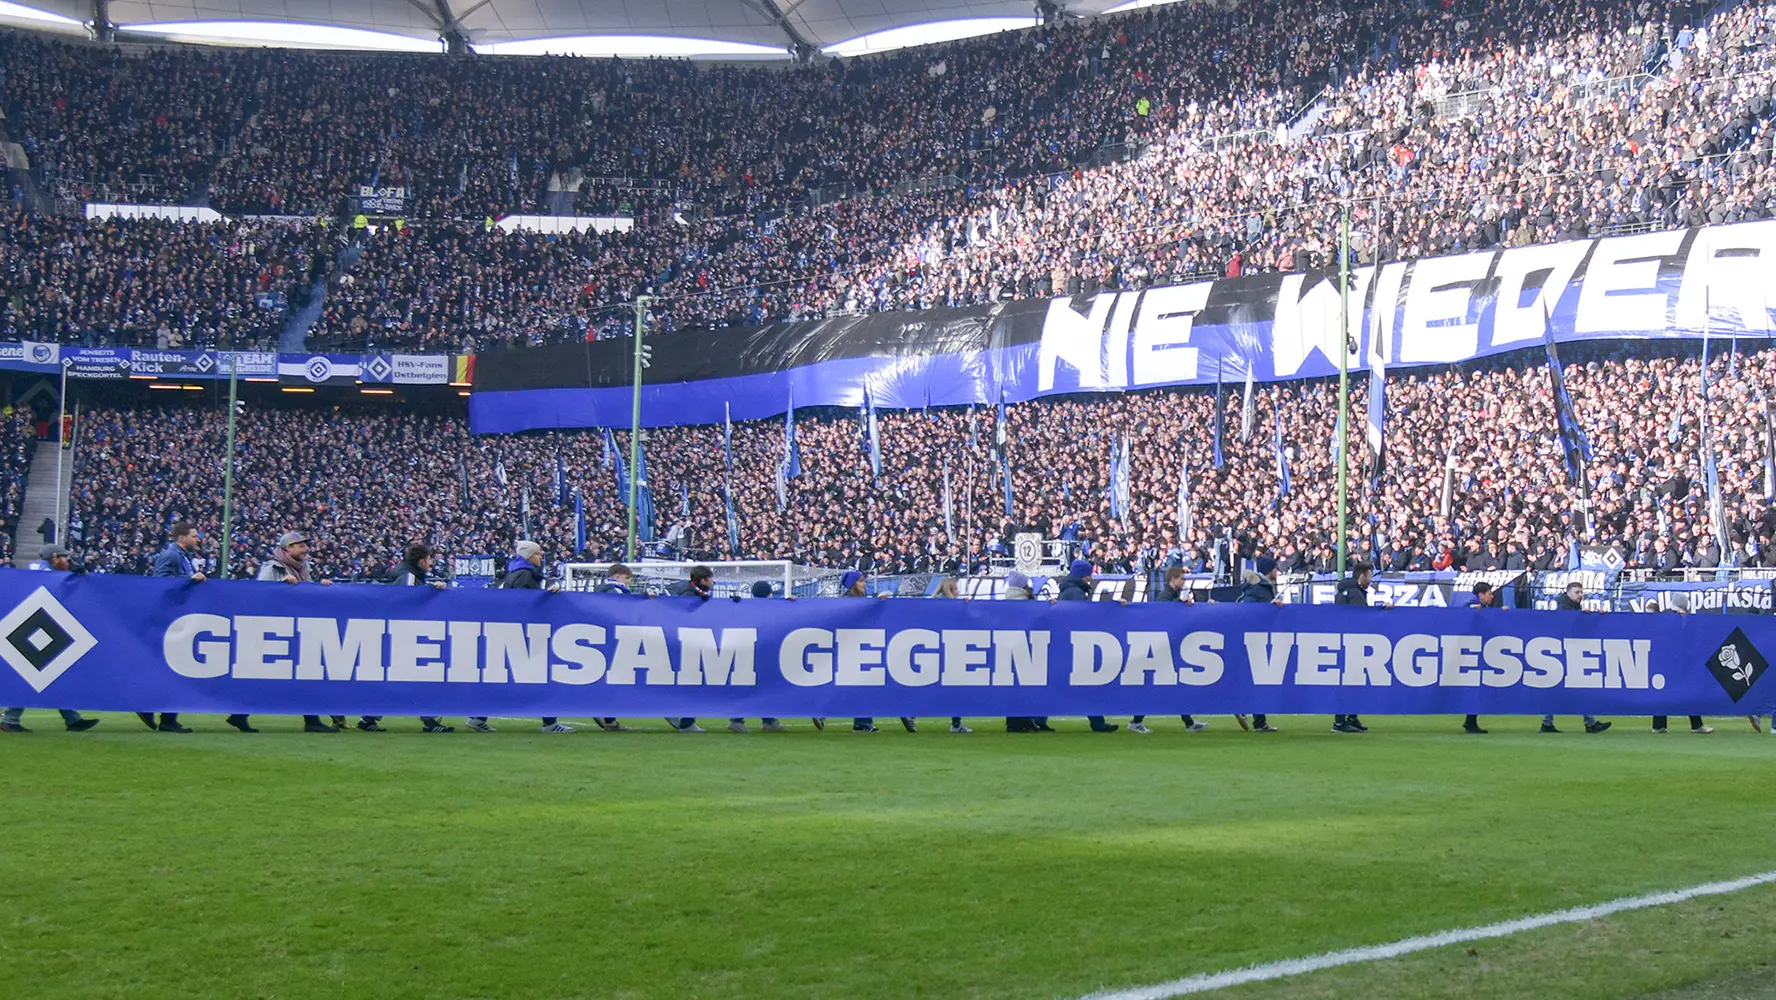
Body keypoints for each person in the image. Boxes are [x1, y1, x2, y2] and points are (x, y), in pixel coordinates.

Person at [468, 541, 573, 733]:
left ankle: (478, 716)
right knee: (541, 676)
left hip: (513, 634)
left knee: (508, 678)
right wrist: (547, 598)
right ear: (529, 556)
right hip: (523, 635)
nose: (541, 557)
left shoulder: (515, 573)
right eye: (538, 554)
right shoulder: (525, 575)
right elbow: (526, 605)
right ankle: (550, 723)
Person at [245, 531, 344, 733]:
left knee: (302, 674)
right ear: (288, 549)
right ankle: (311, 720)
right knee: (278, 676)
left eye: (305, 545)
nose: (305, 549)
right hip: (277, 631)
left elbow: (307, 597)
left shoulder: (303, 568)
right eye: (300, 546)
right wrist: (282, 587)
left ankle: (312, 720)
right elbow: (259, 595)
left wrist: (321, 587)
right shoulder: (272, 569)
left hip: (297, 630)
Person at [1, 545, 100, 734]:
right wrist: (73, 576)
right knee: (35, 673)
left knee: (50, 674)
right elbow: (55, 591)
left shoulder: (34, 568)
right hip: (37, 626)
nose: (67, 562)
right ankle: (10, 719)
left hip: (28, 625)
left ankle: (72, 719)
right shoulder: (48, 572)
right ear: (54, 558)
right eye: (64, 558)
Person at [359, 544, 453, 733]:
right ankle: (429, 721)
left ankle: (369, 717)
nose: (432, 562)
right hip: (406, 636)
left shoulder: (405, 574)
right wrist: (430, 592)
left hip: (399, 635)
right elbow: (406, 602)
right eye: (429, 559)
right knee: (419, 677)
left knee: (400, 678)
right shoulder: (408, 578)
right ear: (421, 561)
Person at [140, 522, 204, 733]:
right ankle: (161, 715)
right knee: (174, 667)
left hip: (176, 618)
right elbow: (160, 584)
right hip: (169, 620)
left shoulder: (182, 556)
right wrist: (189, 580)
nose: (198, 539)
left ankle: (157, 711)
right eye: (194, 536)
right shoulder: (172, 556)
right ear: (181, 538)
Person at [1129, 567, 1206, 734]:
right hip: (1161, 650)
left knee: (1173, 687)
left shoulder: (1170, 596)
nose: (1183, 582)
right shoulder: (1165, 596)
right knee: (1156, 688)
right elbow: (1164, 615)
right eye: (1182, 579)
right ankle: (1136, 721)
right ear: (1173, 579)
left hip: (1164, 649)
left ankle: (1189, 722)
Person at [839, 570, 910, 733]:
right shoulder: (848, 602)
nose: (864, 585)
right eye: (861, 581)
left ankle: (862, 721)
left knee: (862, 686)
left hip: (862, 649)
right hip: (854, 650)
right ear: (852, 585)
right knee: (862, 685)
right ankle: (864, 721)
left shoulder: (859, 601)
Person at [1057, 559, 1119, 733]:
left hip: (1068, 644)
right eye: (1089, 574)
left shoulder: (1068, 590)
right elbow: (1084, 617)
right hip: (1077, 646)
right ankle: (1097, 722)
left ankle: (1038, 719)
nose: (1091, 578)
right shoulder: (1076, 592)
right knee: (1089, 685)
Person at [1542, 581, 1610, 734]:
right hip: (1564, 654)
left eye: (1581, 592)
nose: (1580, 595)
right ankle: (1588, 722)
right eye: (1577, 592)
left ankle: (1550, 722)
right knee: (1570, 687)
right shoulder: (1564, 609)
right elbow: (1569, 627)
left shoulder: (1571, 608)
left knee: (1569, 688)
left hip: (1568, 653)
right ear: (1568, 593)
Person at [1330, 562, 1388, 734]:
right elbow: (1362, 618)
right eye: (1369, 576)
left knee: (1350, 682)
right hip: (1353, 643)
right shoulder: (1355, 593)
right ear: (1362, 576)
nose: (1370, 580)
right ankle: (1340, 722)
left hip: (1344, 641)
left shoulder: (1344, 590)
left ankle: (1351, 718)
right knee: (1351, 682)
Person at [662, 565, 714, 733]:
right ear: (703, 580)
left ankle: (675, 712)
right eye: (710, 578)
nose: (713, 581)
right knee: (692, 680)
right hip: (686, 644)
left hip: (682, 642)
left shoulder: (689, 592)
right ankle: (686, 721)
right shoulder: (689, 596)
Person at [729, 580, 787, 732]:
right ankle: (738, 719)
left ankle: (767, 719)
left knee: (757, 686)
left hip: (748, 652)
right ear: (769, 593)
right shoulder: (772, 608)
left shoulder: (745, 608)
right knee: (756, 687)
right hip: (758, 654)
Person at [589, 564, 638, 731]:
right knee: (617, 678)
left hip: (599, 640)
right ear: (617, 577)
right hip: (615, 640)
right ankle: (606, 715)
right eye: (626, 578)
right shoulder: (615, 592)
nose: (628, 582)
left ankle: (608, 716)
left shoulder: (598, 589)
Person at [1001, 571, 1051, 733]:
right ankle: (1022, 722)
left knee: (1014, 688)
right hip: (1026, 649)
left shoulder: (1004, 603)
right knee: (1025, 688)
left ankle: (1017, 722)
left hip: (1009, 649)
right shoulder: (1027, 604)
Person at [1237, 556, 1283, 732]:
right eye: (1275, 569)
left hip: (1255, 639)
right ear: (1269, 570)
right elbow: (1250, 610)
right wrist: (1269, 607)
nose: (1277, 572)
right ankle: (1245, 709)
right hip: (1256, 640)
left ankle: (1259, 720)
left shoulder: (1258, 587)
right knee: (1256, 679)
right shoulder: (1259, 589)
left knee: (1256, 679)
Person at [1651, 608, 1711, 734]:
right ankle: (1696, 725)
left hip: (1670, 661)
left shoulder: (1666, 619)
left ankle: (1659, 725)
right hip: (1676, 662)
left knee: (1664, 692)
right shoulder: (1675, 620)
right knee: (1688, 692)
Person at [930, 577, 971, 734]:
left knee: (934, 688)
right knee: (955, 689)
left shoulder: (932, 604)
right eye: (956, 589)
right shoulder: (952, 607)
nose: (958, 592)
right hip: (951, 653)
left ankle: (912, 714)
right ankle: (956, 723)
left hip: (935, 653)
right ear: (951, 590)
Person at [1462, 582, 1503, 734]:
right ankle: (1470, 721)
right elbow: (1464, 614)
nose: (1492, 596)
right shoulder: (1471, 606)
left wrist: (1500, 612)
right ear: (1481, 595)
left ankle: (1470, 720)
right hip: (1471, 654)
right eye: (1489, 593)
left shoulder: (1483, 608)